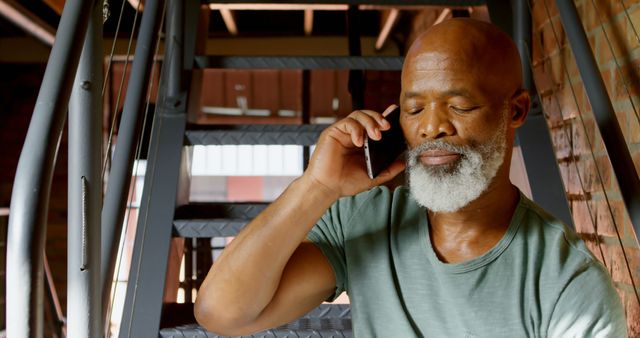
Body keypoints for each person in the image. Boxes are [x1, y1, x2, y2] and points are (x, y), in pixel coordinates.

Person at [194, 18, 627, 337]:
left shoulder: (569, 282)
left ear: (514, 111)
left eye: (459, 106)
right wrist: (318, 187)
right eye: (414, 109)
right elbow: (223, 313)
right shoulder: (362, 220)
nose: (430, 129)